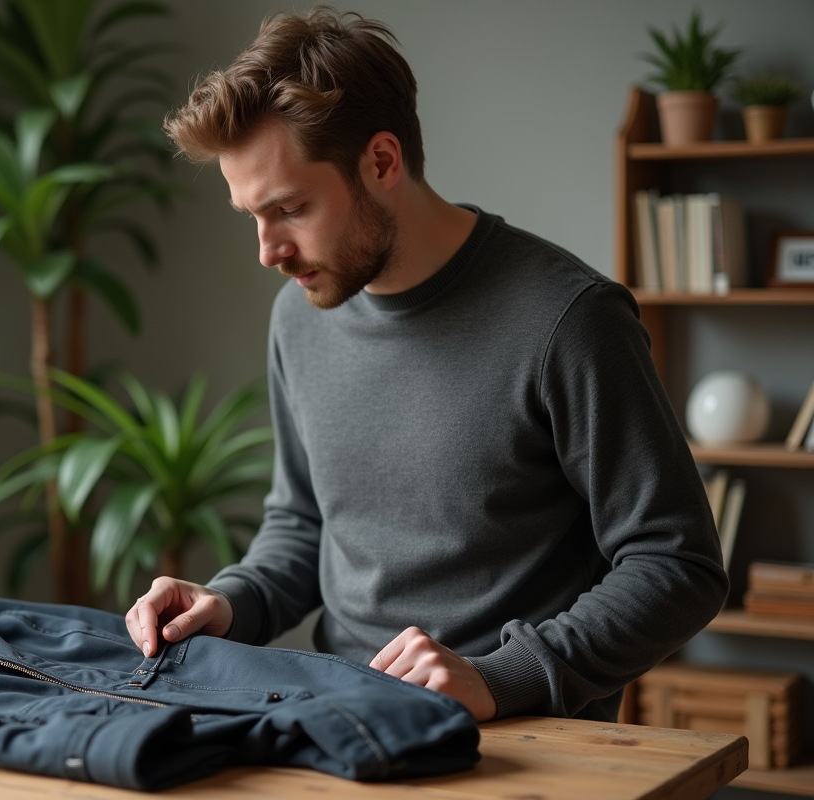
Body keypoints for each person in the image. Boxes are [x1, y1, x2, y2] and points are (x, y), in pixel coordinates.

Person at [125, 6, 727, 722]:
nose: (267, 251)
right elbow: (306, 523)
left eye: (290, 209)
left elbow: (678, 565)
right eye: (251, 216)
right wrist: (229, 602)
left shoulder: (570, 320)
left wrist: (497, 677)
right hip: (332, 722)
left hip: (516, 741)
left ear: (382, 162)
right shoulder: (301, 313)